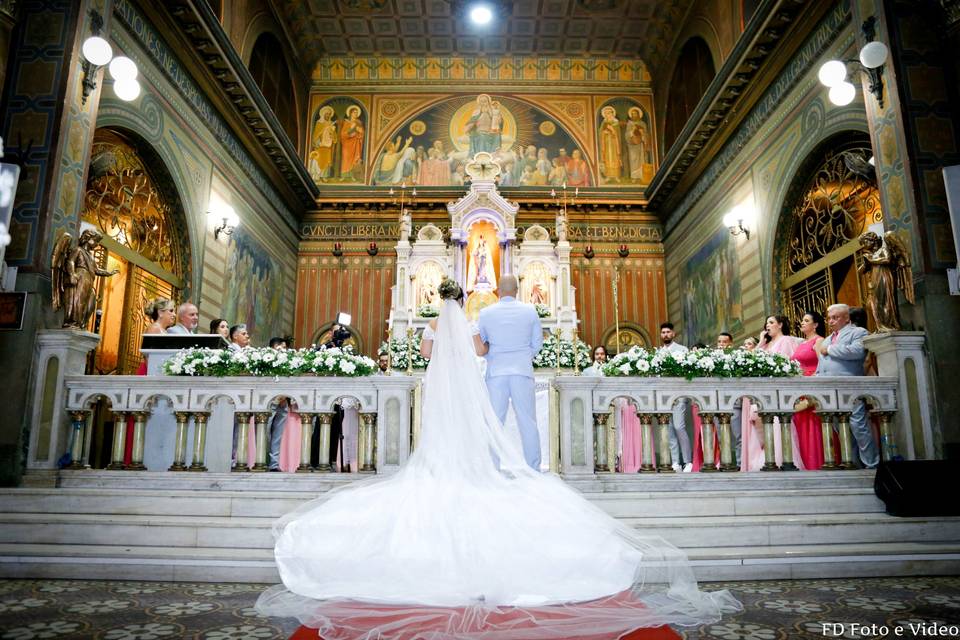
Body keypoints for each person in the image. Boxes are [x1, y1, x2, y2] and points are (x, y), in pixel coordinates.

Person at [256, 279, 740, 638]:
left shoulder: (435, 326)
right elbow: (482, 352)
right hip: (491, 379)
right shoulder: (475, 325)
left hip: (439, 390)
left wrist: (448, 350)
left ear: (437, 300)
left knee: (437, 437)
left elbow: (426, 354)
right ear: (461, 301)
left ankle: (447, 468)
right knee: (505, 427)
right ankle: (495, 469)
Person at [475, 274, 542, 470]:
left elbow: (482, 344)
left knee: (494, 422)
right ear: (517, 291)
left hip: (496, 373)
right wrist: (521, 357)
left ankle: (492, 468)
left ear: (498, 291)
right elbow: (537, 344)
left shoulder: (486, 313)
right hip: (522, 371)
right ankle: (533, 468)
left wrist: (494, 356)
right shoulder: (530, 311)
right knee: (528, 421)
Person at [816, 303, 879, 468]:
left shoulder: (858, 332)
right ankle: (853, 463)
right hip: (829, 389)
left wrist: (829, 349)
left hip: (850, 386)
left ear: (846, 317)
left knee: (858, 426)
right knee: (840, 427)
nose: (830, 321)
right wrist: (816, 379)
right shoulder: (829, 338)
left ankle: (871, 464)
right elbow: (821, 364)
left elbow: (857, 352)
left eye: (835, 317)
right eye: (829, 318)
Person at [740, 315, 805, 472]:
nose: (767, 326)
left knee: (777, 425)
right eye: (766, 323)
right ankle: (766, 459)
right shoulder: (766, 344)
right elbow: (751, 361)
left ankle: (782, 459)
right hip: (763, 393)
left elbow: (789, 364)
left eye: (771, 322)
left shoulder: (787, 340)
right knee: (762, 428)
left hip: (778, 392)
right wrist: (761, 342)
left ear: (780, 325)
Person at [659, 322, 693, 473]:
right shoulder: (658, 353)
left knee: (679, 427)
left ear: (673, 334)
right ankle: (675, 462)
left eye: (668, 332)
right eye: (663, 332)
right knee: (669, 430)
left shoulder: (682, 350)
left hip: (679, 394)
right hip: (664, 396)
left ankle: (688, 461)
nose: (665, 334)